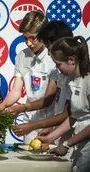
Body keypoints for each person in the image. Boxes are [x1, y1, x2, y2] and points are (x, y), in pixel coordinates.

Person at [0, 10, 58, 144]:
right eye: (25, 38)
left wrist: (21, 108)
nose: (28, 43)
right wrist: (4, 104)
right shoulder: (21, 56)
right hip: (29, 121)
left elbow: (48, 99)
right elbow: (17, 90)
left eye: (33, 38)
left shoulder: (54, 57)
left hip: (53, 122)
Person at [11, 20, 74, 140]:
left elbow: (72, 114)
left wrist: (35, 124)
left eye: (50, 49)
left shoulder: (81, 76)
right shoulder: (60, 72)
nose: (49, 54)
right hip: (57, 131)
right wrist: (52, 129)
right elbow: (68, 112)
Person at [37, 36, 90, 172]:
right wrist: (51, 137)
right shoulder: (72, 80)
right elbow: (74, 116)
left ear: (71, 60)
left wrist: (66, 144)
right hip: (79, 143)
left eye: (58, 64)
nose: (57, 69)